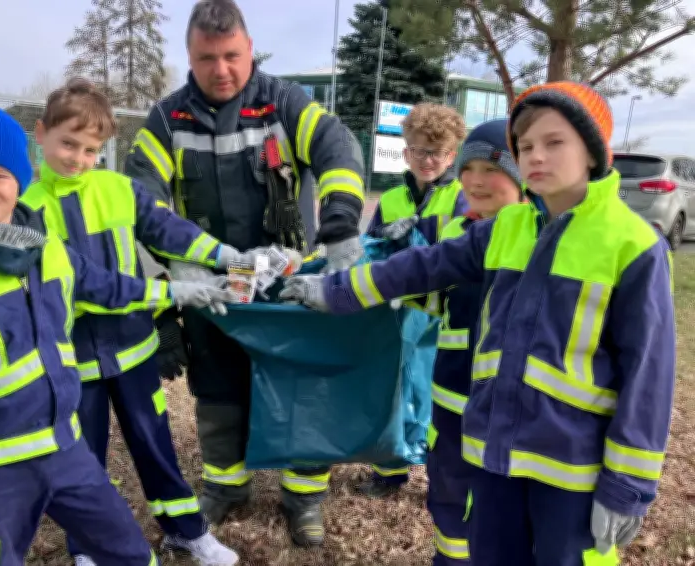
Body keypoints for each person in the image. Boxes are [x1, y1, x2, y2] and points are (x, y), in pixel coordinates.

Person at [280, 82, 676, 565]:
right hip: (494, 454)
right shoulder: (507, 228)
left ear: (593, 150)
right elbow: (419, 269)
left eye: (555, 143)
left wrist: (628, 484)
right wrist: (336, 290)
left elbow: (648, 377)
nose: (536, 156)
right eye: (525, 145)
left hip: (571, 468)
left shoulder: (631, 244)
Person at [0, 107, 236, 566]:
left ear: (17, 178)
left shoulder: (44, 247)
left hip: (64, 448)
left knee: (131, 552)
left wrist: (178, 289)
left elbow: (109, 284)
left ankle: (182, 532)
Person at [123, 0, 366, 548]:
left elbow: (338, 146)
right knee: (217, 387)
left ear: (249, 49)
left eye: (232, 55)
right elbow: (136, 206)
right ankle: (227, 486)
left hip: (288, 283)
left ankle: (303, 497)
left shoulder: (283, 101)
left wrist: (342, 222)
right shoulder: (165, 120)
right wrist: (166, 299)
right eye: (207, 58)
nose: (221, 69)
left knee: (304, 385)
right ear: (190, 56)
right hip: (212, 287)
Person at [22, 78, 290, 566]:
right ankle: (90, 548)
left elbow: (172, 232)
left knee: (156, 448)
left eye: (90, 149)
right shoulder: (28, 210)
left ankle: (186, 531)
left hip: (135, 352)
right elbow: (87, 286)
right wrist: (171, 291)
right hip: (72, 361)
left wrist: (231, 257)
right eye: (67, 143)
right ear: (40, 134)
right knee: (85, 463)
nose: (78, 158)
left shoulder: (119, 189)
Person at [427, 119, 523, 565]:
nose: (477, 181)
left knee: (497, 507)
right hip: (450, 398)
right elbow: (432, 301)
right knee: (447, 490)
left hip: (510, 411)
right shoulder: (455, 233)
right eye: (468, 168)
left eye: (492, 167)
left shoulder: (540, 241)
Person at [360, 102, 468, 498]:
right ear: (405, 151)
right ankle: (388, 471)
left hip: (440, 318)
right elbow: (370, 250)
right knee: (391, 389)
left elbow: (462, 257)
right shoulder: (390, 201)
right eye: (419, 151)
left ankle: (439, 476)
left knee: (433, 394)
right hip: (395, 315)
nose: (427, 160)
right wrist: (387, 237)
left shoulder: (462, 198)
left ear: (451, 155)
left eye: (437, 153)